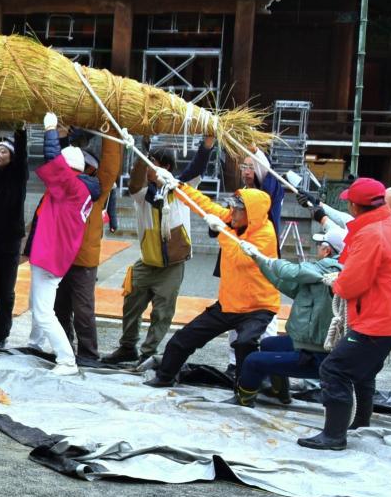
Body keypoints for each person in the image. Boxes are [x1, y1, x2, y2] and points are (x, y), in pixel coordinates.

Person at [297, 177, 391, 451]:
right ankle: (361, 421)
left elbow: (351, 285)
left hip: (377, 320)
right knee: (363, 369)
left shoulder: (370, 234)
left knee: (334, 368)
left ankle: (334, 435)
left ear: (354, 205)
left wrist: (336, 282)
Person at [145, 182, 279, 388]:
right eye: (232, 208)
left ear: (251, 213)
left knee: (245, 345)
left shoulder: (265, 235)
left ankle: (245, 392)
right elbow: (204, 205)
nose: (231, 212)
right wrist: (178, 187)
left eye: (237, 209)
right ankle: (165, 377)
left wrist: (221, 230)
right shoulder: (234, 221)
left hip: (258, 307)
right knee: (183, 339)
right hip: (229, 304)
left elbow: (239, 257)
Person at [231, 227, 344, 406]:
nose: (317, 249)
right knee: (269, 344)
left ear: (327, 250)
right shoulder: (322, 276)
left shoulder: (328, 269)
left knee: (252, 361)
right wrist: (258, 260)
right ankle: (281, 394)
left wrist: (262, 257)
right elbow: (284, 283)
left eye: (319, 245)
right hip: (314, 346)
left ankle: (243, 402)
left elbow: (288, 272)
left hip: (319, 355)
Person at [106, 147, 192, 369]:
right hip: (147, 262)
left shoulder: (181, 191)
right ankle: (127, 347)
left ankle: (148, 353)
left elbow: (198, 167)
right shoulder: (143, 195)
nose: (147, 169)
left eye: (152, 164)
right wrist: (141, 156)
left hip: (172, 265)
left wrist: (207, 146)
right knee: (131, 303)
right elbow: (134, 183)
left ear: (167, 168)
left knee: (162, 312)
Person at [25, 113, 96, 375]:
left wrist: (50, 129)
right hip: (54, 256)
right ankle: (43, 346)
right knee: (40, 307)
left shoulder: (71, 188)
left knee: (44, 312)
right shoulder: (82, 192)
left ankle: (66, 360)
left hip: (50, 257)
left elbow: (52, 157)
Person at [53, 132, 123, 365]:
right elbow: (57, 160)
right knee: (60, 309)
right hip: (62, 258)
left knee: (82, 310)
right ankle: (65, 350)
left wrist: (111, 133)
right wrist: (59, 136)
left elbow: (111, 167)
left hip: (82, 260)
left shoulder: (98, 192)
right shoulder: (66, 188)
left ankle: (88, 354)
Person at [0, 128, 29, 352]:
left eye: (4, 151)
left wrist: (20, 129)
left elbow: (22, 157)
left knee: (5, 291)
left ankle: (1, 335)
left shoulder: (18, 176)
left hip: (10, 241)